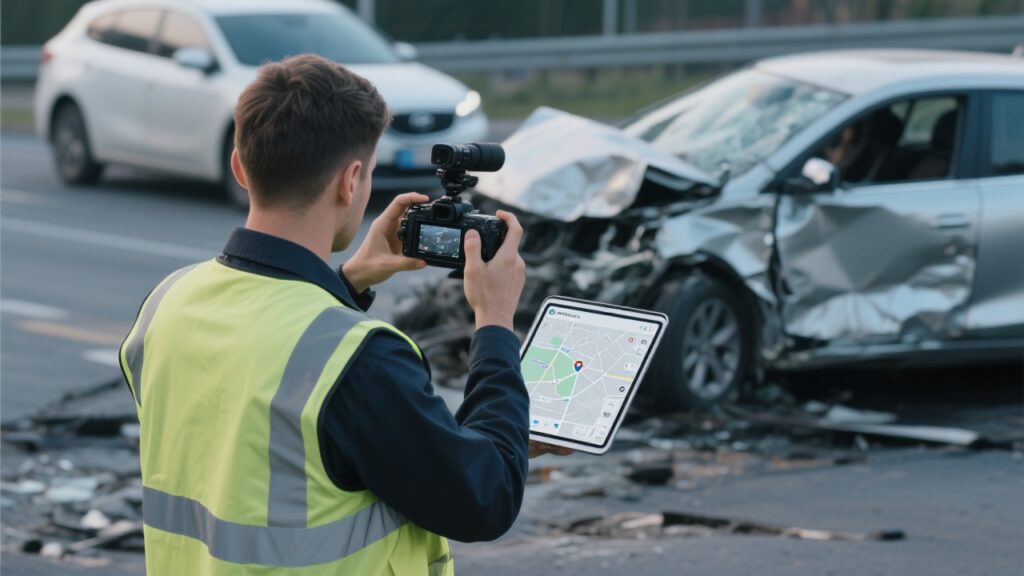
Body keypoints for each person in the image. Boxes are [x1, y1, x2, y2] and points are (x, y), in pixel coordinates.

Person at [119, 54, 567, 576]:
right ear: (351, 181)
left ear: (240, 166)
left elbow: (262, 426)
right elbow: (484, 500)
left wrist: (347, 283)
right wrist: (493, 319)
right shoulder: (360, 359)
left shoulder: (166, 304)